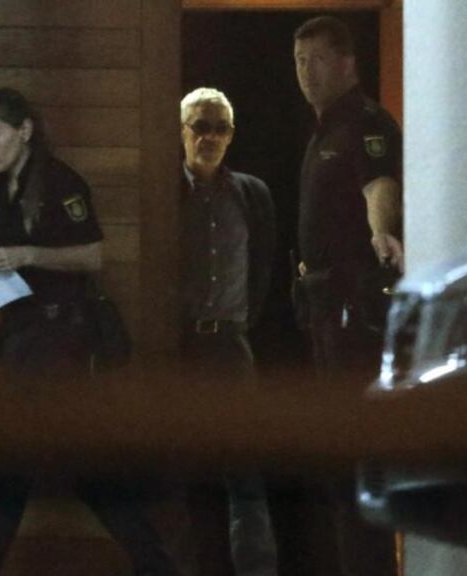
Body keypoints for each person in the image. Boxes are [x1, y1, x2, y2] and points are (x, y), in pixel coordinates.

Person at [0, 87, 179, 576]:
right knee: (86, 470)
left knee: (11, 466)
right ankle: (158, 567)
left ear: (24, 130)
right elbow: (4, 276)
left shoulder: (59, 182)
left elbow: (93, 255)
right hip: (22, 339)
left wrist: (28, 254)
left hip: (60, 343)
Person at [291, 15, 403, 576]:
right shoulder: (321, 130)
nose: (306, 72)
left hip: (350, 311)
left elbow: (378, 185)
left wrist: (384, 232)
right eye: (299, 61)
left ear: (348, 63)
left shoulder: (364, 122)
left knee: (357, 458)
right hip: (318, 310)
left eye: (317, 59)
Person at [178, 87, 279, 576]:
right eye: (201, 126)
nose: (210, 137)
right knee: (185, 469)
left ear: (232, 135)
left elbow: (264, 267)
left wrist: (241, 324)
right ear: (182, 130)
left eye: (220, 128)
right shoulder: (164, 192)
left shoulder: (252, 193)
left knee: (245, 472)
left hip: (233, 343)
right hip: (179, 347)